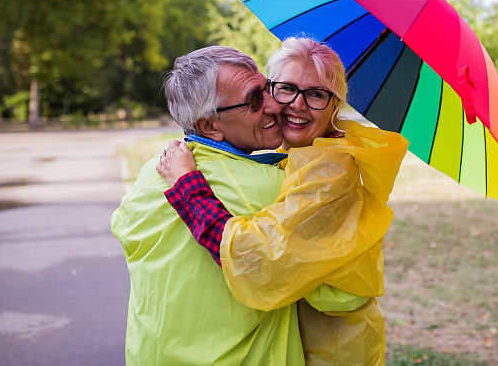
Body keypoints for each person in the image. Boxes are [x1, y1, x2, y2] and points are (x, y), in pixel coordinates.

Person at [157, 37, 408, 365]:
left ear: (336, 105)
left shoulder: (329, 171)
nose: (297, 105)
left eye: (317, 94)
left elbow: (257, 255)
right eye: (286, 88)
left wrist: (187, 187)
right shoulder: (298, 152)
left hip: (330, 346)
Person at [111, 46, 306, 365]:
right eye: (255, 99)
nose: (274, 105)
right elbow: (337, 295)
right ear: (210, 127)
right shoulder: (271, 189)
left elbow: (123, 225)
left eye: (268, 86)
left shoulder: (153, 170)